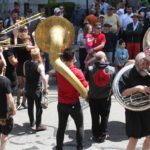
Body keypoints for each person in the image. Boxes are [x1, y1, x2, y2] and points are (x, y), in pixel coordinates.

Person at [55, 48, 88, 150]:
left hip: (61, 103)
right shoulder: (77, 72)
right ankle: (80, 147)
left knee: (61, 127)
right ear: (73, 58)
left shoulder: (59, 71)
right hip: (74, 103)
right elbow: (85, 88)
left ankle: (59, 147)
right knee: (80, 126)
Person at [119, 52, 150, 150]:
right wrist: (137, 88)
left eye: (147, 64)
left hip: (148, 109)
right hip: (133, 111)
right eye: (142, 64)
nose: (145, 66)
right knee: (133, 139)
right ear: (136, 63)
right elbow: (122, 93)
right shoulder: (127, 74)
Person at [85, 51, 115, 143]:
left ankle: (95, 134)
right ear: (105, 57)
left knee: (94, 117)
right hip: (106, 98)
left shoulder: (90, 69)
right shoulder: (111, 69)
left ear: (95, 58)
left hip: (93, 97)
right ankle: (102, 135)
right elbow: (114, 83)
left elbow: (86, 80)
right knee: (105, 117)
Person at [24, 48, 48, 131]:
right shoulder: (39, 65)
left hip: (27, 88)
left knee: (30, 106)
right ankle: (38, 125)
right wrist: (45, 88)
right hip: (36, 89)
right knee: (38, 107)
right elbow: (44, 78)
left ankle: (32, 122)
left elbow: (24, 74)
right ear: (38, 55)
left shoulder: (26, 63)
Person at [0, 59, 16, 150]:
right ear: (3, 68)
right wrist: (14, 109)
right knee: (4, 133)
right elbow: (10, 98)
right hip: (4, 113)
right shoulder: (5, 81)